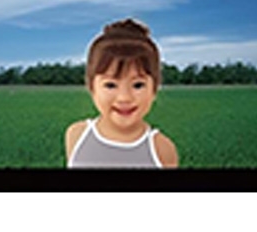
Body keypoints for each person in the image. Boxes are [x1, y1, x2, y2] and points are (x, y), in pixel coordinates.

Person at [66, 18, 178, 168]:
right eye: (110, 85)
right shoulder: (77, 135)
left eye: (138, 85)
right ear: (91, 87)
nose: (124, 98)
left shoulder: (162, 149)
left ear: (155, 88)